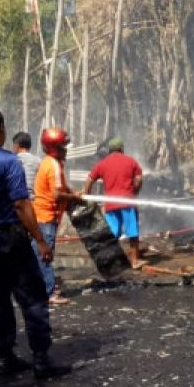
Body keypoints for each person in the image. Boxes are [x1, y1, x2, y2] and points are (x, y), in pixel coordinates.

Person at [0, 107, 63, 378]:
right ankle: (41, 358)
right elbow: (20, 203)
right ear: (2, 128)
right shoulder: (9, 161)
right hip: (10, 237)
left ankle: (4, 357)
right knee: (32, 297)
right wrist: (41, 241)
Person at [82, 137, 144, 269]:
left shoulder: (102, 164)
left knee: (112, 233)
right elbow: (139, 179)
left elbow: (90, 179)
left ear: (109, 150)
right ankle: (134, 261)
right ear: (121, 149)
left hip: (110, 204)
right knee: (132, 231)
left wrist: (86, 194)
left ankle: (109, 262)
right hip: (127, 202)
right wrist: (135, 193)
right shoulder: (130, 161)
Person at [34, 127, 80, 304]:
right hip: (46, 217)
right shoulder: (52, 164)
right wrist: (73, 197)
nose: (66, 150)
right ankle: (49, 293)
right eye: (63, 146)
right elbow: (56, 195)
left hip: (44, 216)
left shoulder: (52, 162)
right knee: (45, 255)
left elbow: (61, 189)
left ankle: (41, 289)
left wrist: (72, 192)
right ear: (54, 147)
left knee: (39, 255)